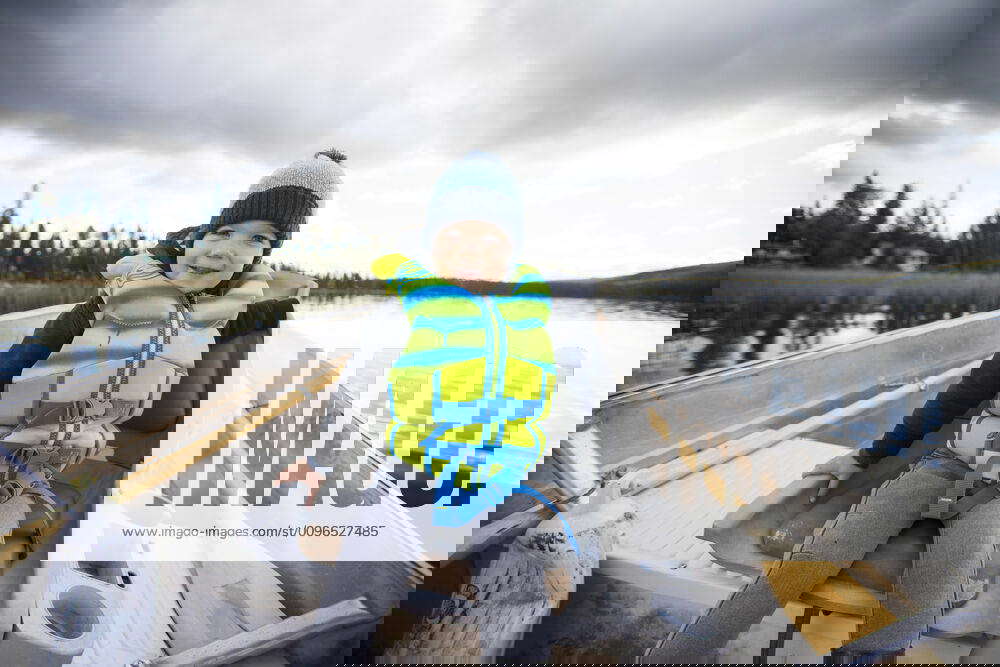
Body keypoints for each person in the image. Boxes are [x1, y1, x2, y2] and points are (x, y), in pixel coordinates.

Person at [372, 152, 557, 528]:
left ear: (511, 249)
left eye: (490, 240)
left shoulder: (532, 306)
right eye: (452, 238)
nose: (470, 250)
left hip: (503, 470)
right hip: (420, 465)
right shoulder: (421, 297)